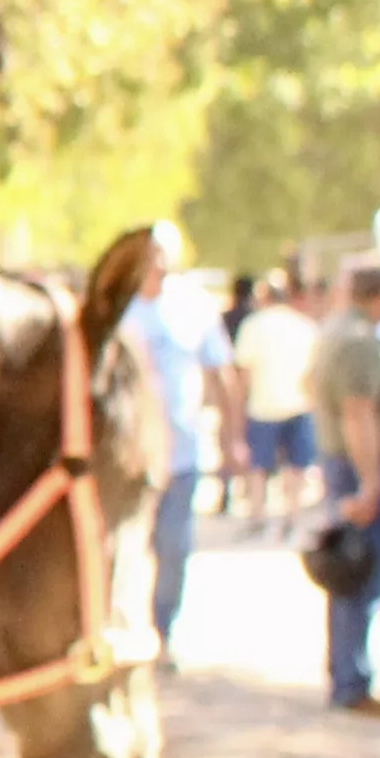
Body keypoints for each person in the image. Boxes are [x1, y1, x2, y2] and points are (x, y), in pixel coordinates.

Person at [314, 262, 380, 715]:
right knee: (361, 575)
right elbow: (358, 411)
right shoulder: (357, 341)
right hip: (363, 466)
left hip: (348, 463)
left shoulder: (337, 332)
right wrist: (371, 481)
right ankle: (352, 682)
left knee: (351, 575)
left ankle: (348, 675)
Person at [121, 238, 228, 648]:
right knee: (127, 546)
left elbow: (219, 371)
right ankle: (124, 625)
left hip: (181, 452)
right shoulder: (119, 311)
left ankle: (162, 629)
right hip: (129, 456)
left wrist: (231, 436)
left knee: (174, 546)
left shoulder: (192, 307)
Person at [232, 272, 321, 533]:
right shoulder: (305, 326)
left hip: (263, 404)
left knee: (259, 465)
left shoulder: (253, 326)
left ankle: (258, 514)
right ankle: (292, 513)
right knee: (295, 465)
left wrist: (237, 410)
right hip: (299, 403)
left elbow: (244, 373)